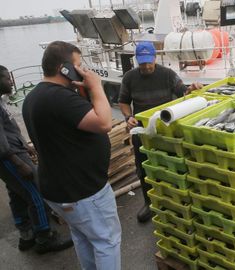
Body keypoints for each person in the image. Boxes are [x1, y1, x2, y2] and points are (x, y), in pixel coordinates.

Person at [22, 41, 121, 269]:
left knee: (84, 236)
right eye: (78, 65)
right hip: (84, 192)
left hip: (58, 189)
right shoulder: (60, 98)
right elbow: (104, 122)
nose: (82, 70)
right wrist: (96, 86)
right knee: (107, 241)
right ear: (64, 68)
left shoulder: (35, 96)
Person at [119, 41, 202, 223]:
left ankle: (172, 202)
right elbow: (123, 101)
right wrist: (127, 117)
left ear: (155, 58)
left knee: (169, 166)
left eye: (149, 61)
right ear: (136, 61)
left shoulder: (167, 74)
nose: (146, 66)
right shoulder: (129, 78)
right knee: (143, 167)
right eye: (142, 63)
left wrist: (191, 89)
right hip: (141, 129)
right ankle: (149, 202)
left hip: (165, 128)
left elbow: (182, 92)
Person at [0, 65, 73, 254]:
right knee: (35, 193)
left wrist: (25, 145)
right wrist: (18, 162)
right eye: (7, 78)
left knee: (16, 193)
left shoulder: (1, 102)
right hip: (10, 157)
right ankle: (44, 237)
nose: (11, 81)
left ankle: (26, 234)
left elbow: (9, 130)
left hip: (15, 151)